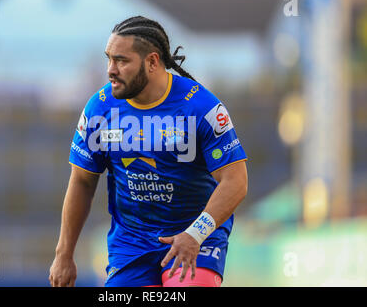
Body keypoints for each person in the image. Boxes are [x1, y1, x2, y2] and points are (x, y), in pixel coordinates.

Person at [49, 16, 248, 287]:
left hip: (194, 236)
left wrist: (196, 234)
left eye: (121, 60)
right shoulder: (99, 109)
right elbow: (82, 181)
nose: (110, 70)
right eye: (108, 59)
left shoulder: (201, 107)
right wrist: (64, 254)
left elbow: (236, 180)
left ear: (152, 62)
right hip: (132, 242)